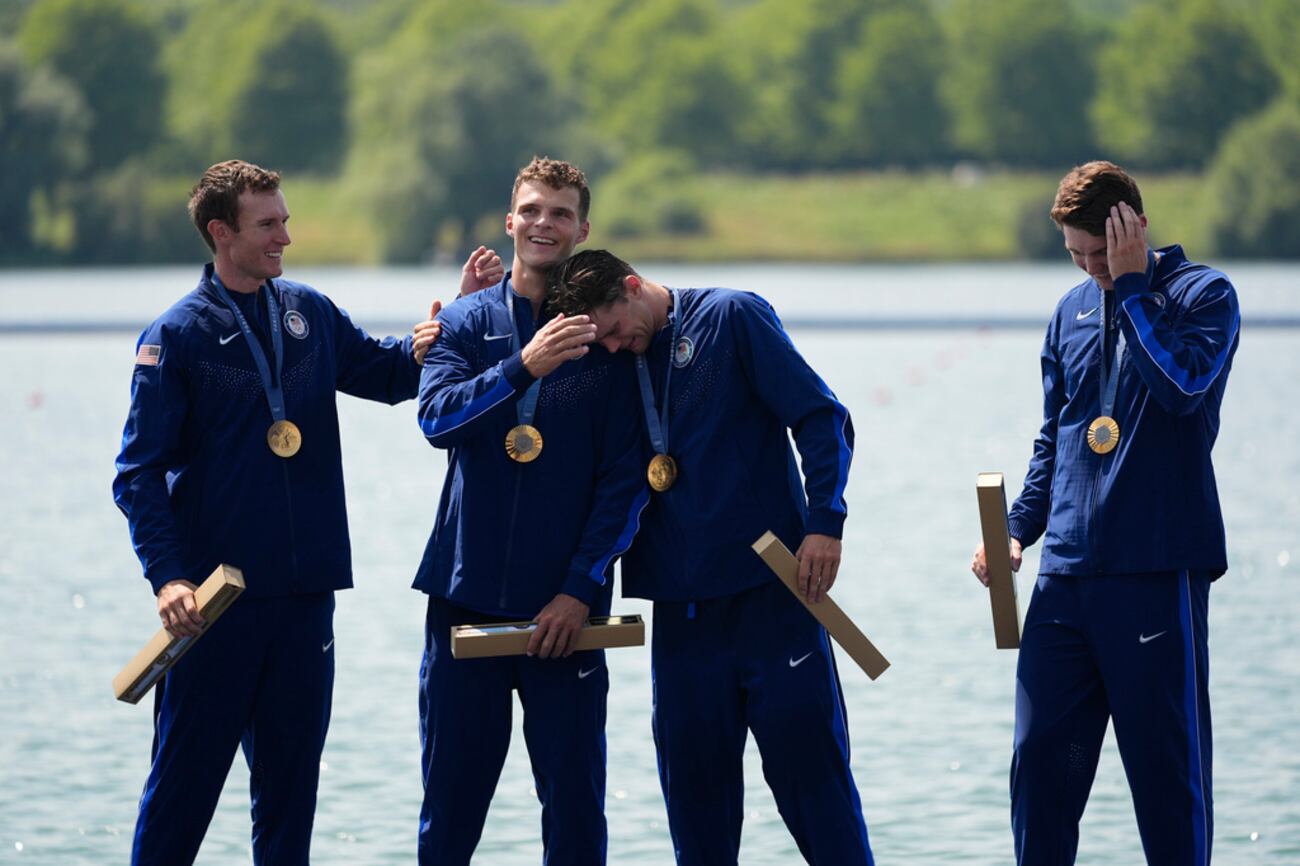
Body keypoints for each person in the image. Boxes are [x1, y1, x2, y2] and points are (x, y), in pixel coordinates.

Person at [112, 159, 442, 866]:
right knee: (182, 795)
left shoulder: (309, 313)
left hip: (304, 599)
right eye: (268, 225)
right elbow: (136, 475)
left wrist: (447, 331)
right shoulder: (176, 337)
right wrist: (168, 579)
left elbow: (387, 376)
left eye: (285, 221)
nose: (285, 237)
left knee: (290, 802)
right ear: (220, 232)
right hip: (213, 606)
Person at [546, 250, 875, 865]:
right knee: (697, 814)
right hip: (683, 617)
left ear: (634, 286)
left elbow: (821, 417)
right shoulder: (612, 360)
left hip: (772, 599)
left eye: (616, 329)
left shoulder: (732, 316)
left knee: (817, 794)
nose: (615, 347)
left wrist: (826, 522)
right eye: (604, 340)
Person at [971, 161, 1239, 866]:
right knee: (1038, 770)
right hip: (1065, 578)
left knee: (1165, 780)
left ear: (1134, 227)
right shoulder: (1070, 312)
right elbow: (1055, 435)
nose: (1089, 268)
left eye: (1099, 253)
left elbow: (1181, 388)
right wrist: (1015, 531)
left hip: (1155, 571)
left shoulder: (1203, 295)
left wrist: (1133, 287)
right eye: (1077, 256)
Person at [412, 157, 646, 865]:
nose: (545, 223)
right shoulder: (462, 320)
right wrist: (524, 368)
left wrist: (579, 590)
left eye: (561, 213)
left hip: (566, 618)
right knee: (449, 815)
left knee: (575, 816)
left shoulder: (606, 338)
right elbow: (437, 421)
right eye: (533, 210)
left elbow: (624, 483)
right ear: (510, 220)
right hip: (465, 603)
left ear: (582, 229)